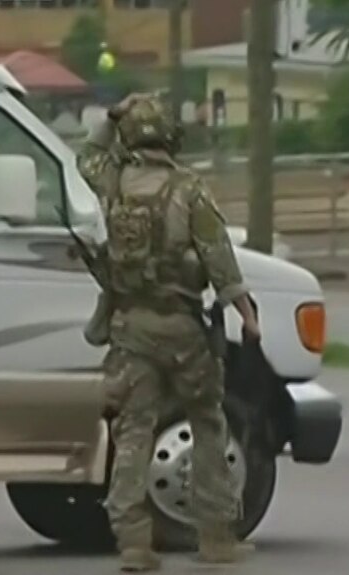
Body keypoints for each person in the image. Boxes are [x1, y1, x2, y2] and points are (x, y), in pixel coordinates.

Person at [77, 93, 262, 572]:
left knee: (133, 430)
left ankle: (134, 544)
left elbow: (86, 156)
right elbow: (220, 261)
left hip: (129, 327)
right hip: (182, 329)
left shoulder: (114, 182)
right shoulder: (190, 190)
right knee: (206, 423)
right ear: (170, 137)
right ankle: (216, 537)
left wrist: (109, 117)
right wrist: (247, 314)